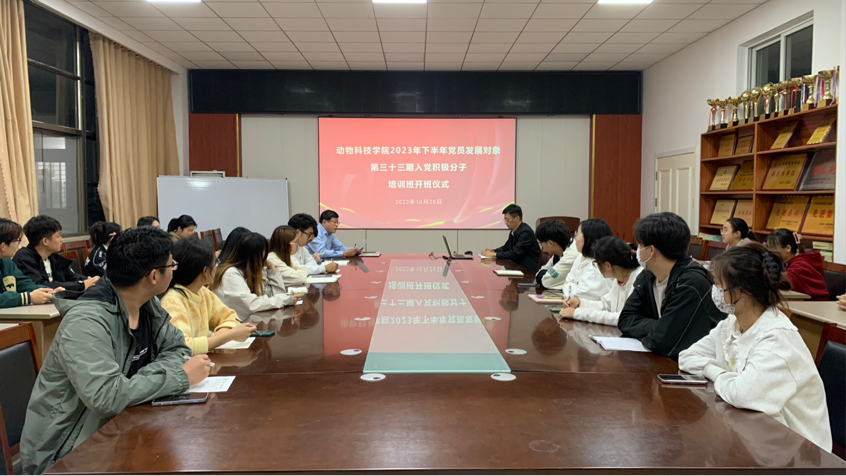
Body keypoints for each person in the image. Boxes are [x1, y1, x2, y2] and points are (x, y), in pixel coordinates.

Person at [20, 227, 211, 475]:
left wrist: (137, 383)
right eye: (171, 265)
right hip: (66, 454)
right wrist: (179, 376)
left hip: (122, 430)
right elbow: (107, 397)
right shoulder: (86, 321)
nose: (174, 270)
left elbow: (178, 349)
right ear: (153, 276)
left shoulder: (147, 304)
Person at [679, 244, 832, 452]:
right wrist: (717, 371)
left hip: (797, 452)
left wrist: (714, 372)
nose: (714, 290)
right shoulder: (732, 324)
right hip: (756, 438)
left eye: (718, 283)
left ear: (742, 290)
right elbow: (687, 357)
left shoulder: (777, 339)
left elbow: (742, 394)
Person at [618, 212, 726, 359]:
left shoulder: (691, 283)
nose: (637, 251)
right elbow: (625, 320)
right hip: (665, 361)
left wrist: (659, 330)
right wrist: (660, 326)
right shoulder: (647, 276)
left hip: (696, 365)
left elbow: (660, 342)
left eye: (639, 245)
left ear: (651, 250)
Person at [161, 237, 255, 355]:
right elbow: (182, 346)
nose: (216, 267)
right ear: (205, 271)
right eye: (215, 262)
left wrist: (220, 335)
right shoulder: (172, 302)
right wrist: (228, 335)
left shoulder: (201, 291)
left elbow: (229, 316)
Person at [210, 231, 300, 318]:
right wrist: (286, 299)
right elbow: (252, 305)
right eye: (263, 257)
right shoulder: (230, 274)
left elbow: (275, 295)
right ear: (255, 258)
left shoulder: (246, 272)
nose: (264, 261)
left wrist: (272, 268)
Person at [560, 236, 643, 327]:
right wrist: (580, 303)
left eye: (596, 263)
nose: (596, 267)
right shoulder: (618, 279)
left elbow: (623, 317)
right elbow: (605, 305)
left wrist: (578, 313)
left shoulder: (639, 279)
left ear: (608, 265)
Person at [14, 215, 99, 292]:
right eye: (58, 236)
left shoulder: (53, 257)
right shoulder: (24, 258)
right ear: (45, 241)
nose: (61, 239)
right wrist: (81, 285)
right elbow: (40, 286)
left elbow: (70, 276)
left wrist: (90, 280)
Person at [0, 218, 56, 308]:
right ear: (3, 246)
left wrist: (48, 292)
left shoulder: (7, 262)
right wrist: (28, 298)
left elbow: (23, 283)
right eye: (16, 241)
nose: (18, 246)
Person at [561, 218, 615, 303]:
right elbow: (568, 281)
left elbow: (576, 297)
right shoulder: (580, 257)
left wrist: (569, 286)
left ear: (589, 238)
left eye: (577, 234)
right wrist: (570, 286)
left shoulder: (598, 266)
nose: (575, 238)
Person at [766, 229, 828, 301]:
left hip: (814, 304)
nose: (769, 251)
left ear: (788, 248)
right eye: (768, 247)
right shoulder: (786, 263)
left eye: (773, 248)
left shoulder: (801, 265)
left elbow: (783, 282)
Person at [481, 204, 541, 274]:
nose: (505, 223)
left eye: (507, 220)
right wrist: (492, 251)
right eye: (505, 220)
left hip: (529, 271)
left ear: (517, 218)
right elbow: (506, 248)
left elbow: (515, 253)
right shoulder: (514, 231)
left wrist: (494, 254)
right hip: (518, 268)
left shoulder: (526, 232)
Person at [534, 219, 580, 289]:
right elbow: (540, 272)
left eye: (541, 243)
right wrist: (547, 274)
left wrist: (547, 274)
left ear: (550, 243)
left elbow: (547, 281)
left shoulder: (571, 255)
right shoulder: (560, 250)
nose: (542, 247)